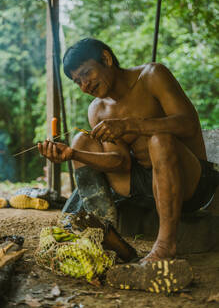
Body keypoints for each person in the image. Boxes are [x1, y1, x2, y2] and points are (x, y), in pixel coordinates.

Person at [38, 38, 218, 263]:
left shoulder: (152, 76)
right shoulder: (98, 109)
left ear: (106, 58)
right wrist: (72, 154)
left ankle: (165, 245)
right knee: (81, 141)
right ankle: (104, 237)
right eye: (77, 82)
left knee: (159, 140)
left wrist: (130, 125)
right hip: (144, 185)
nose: (84, 86)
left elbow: (189, 124)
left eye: (86, 73)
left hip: (191, 182)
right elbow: (120, 163)